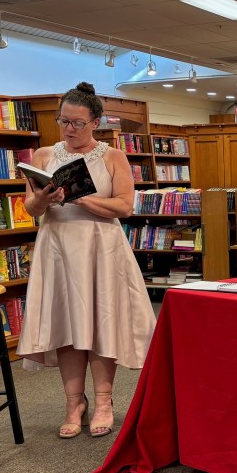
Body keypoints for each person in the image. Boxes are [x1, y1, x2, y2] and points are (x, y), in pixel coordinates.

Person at [17, 82, 156, 439]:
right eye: (63, 121)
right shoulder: (43, 156)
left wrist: (79, 197)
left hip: (101, 247)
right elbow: (31, 208)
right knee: (67, 324)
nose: (69, 129)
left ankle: (104, 402)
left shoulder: (113, 157)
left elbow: (124, 206)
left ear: (95, 122)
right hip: (58, 247)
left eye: (77, 123)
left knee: (101, 321)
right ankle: (73, 403)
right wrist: (45, 198)